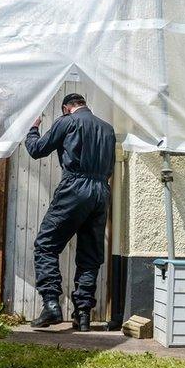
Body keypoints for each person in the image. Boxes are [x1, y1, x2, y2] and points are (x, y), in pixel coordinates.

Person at [25, 93, 115, 332]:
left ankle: (51, 304)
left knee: (46, 245)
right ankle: (83, 313)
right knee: (90, 255)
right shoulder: (107, 129)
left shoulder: (67, 122)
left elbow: (36, 150)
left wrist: (33, 129)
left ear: (66, 109)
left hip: (75, 187)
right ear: (85, 105)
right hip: (101, 192)